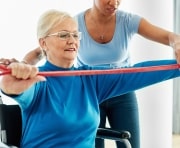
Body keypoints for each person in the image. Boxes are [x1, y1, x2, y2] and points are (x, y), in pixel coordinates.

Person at [1, 9, 180, 148]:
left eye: (75, 35)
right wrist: (10, 86)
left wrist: (177, 66)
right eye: (63, 35)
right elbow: (17, 89)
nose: (72, 40)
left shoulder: (90, 79)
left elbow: (138, 72)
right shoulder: (38, 82)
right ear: (43, 43)